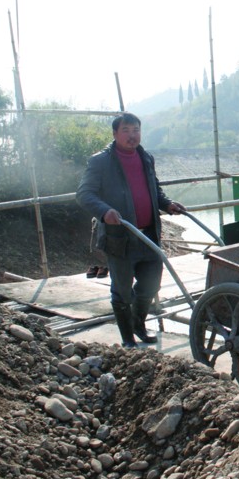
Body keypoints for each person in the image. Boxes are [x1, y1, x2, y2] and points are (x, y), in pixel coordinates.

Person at [76, 112, 186, 348]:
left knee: (150, 286)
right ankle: (128, 339)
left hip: (148, 236)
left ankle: (138, 324)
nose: (131, 135)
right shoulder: (101, 161)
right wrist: (105, 211)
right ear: (115, 134)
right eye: (126, 130)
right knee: (123, 292)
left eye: (135, 130)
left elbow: (154, 190)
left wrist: (167, 204)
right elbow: (85, 194)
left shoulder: (145, 157)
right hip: (120, 238)